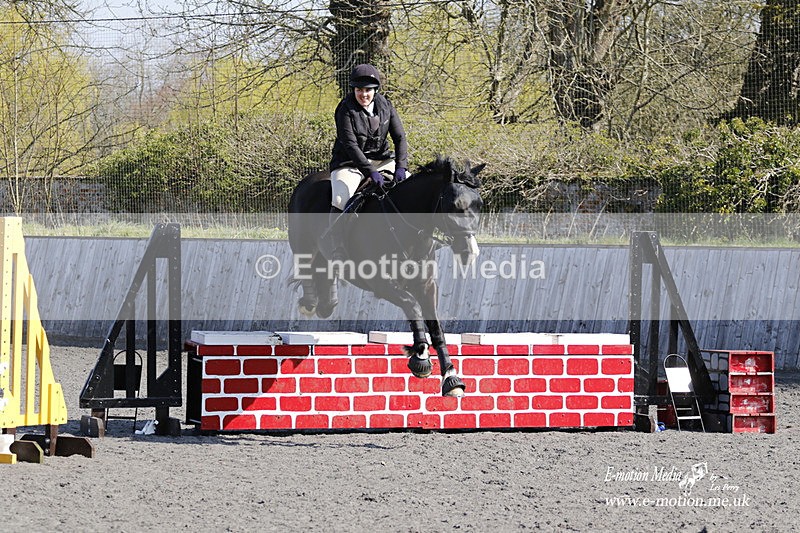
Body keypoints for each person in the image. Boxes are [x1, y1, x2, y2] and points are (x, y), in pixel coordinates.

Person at [327, 63, 408, 262]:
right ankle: (338, 247)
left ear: (375, 90)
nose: (363, 94)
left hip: (382, 160)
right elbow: (350, 145)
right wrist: (370, 171)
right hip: (350, 163)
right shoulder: (345, 109)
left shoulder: (386, 105)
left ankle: (414, 239)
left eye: (368, 90)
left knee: (411, 187)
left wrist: (401, 166)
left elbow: (400, 138)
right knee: (340, 198)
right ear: (354, 90)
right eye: (359, 90)